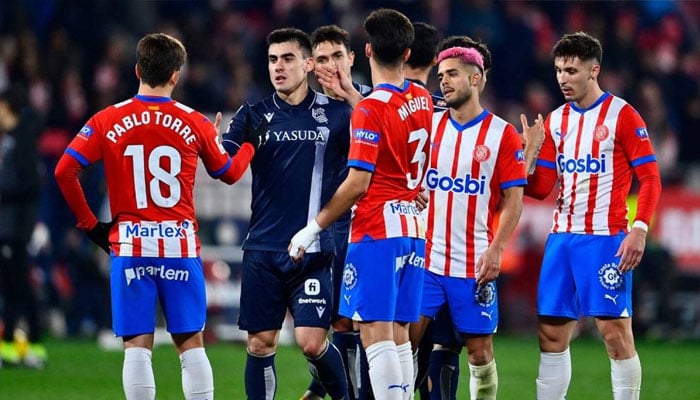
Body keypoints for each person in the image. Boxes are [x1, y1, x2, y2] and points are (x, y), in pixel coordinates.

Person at [54, 32, 267, 400]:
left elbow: (64, 171)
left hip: (131, 244)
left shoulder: (108, 119)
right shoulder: (194, 122)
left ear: (137, 70)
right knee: (191, 343)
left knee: (137, 345)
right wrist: (250, 143)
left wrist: (90, 226)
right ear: (176, 76)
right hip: (179, 245)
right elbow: (229, 173)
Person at [289, 8, 433, 399]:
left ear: (366, 51)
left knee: (375, 331)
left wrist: (313, 227)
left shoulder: (370, 109)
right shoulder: (420, 97)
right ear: (406, 54)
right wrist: (353, 95)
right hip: (414, 231)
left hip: (377, 230)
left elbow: (357, 183)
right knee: (401, 333)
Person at [525, 32, 662, 400]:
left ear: (593, 70)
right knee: (551, 333)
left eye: (571, 70)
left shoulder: (622, 114)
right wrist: (529, 157)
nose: (562, 78)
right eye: (558, 70)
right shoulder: (555, 121)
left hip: (605, 239)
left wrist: (639, 229)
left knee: (615, 332)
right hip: (562, 238)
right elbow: (540, 188)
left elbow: (650, 178)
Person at [408, 41, 543, 400]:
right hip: (427, 258)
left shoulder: (501, 135)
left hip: (474, 264)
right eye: (440, 76)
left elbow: (514, 199)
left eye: (452, 74)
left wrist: (498, 248)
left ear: (476, 77)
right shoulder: (430, 126)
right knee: (406, 342)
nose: (444, 82)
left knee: (480, 353)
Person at [221, 27, 350, 400]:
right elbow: (225, 163)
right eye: (273, 60)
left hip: (312, 249)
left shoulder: (338, 114)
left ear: (308, 64)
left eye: (288, 59)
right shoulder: (253, 114)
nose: (279, 67)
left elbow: (373, 155)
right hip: (263, 248)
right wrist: (210, 147)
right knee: (260, 344)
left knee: (311, 342)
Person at [302, 24, 373, 400]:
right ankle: (325, 385)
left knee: (357, 321)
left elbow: (396, 143)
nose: (332, 66)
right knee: (318, 326)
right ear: (311, 65)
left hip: (369, 226)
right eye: (323, 59)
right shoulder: (304, 109)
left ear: (352, 58)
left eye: (338, 57)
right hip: (322, 227)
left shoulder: (373, 101)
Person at [0, 84, 47, 369]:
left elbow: (31, 184)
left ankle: (33, 347)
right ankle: (14, 349)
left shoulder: (22, 141)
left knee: (19, 288)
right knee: (13, 288)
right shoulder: (11, 140)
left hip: (15, 227)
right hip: (9, 224)